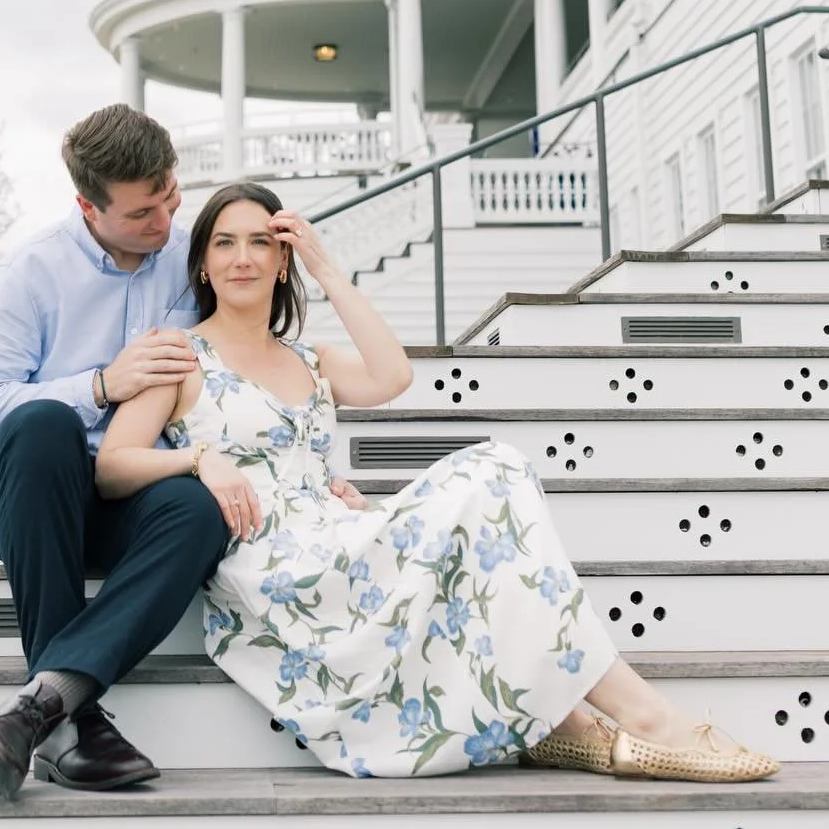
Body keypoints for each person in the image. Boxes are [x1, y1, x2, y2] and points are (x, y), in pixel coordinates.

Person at [96, 181, 780, 785]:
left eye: (259, 244)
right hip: (270, 566)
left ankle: (564, 720)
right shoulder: (181, 356)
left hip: (336, 534)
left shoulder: (311, 358)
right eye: (224, 244)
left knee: (496, 472)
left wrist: (326, 266)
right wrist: (197, 462)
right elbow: (113, 465)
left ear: (282, 264)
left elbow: (393, 375)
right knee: (488, 477)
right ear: (205, 266)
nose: (242, 257)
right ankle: (643, 716)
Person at [0, 105, 370, 801]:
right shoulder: (30, 272)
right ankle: (78, 721)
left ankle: (43, 706)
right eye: (144, 211)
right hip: (32, 491)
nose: (166, 221)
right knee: (46, 423)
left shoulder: (191, 256)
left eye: (172, 196)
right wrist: (101, 385)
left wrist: (311, 469)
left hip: (135, 487)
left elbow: (257, 372)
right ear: (89, 206)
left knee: (198, 507)